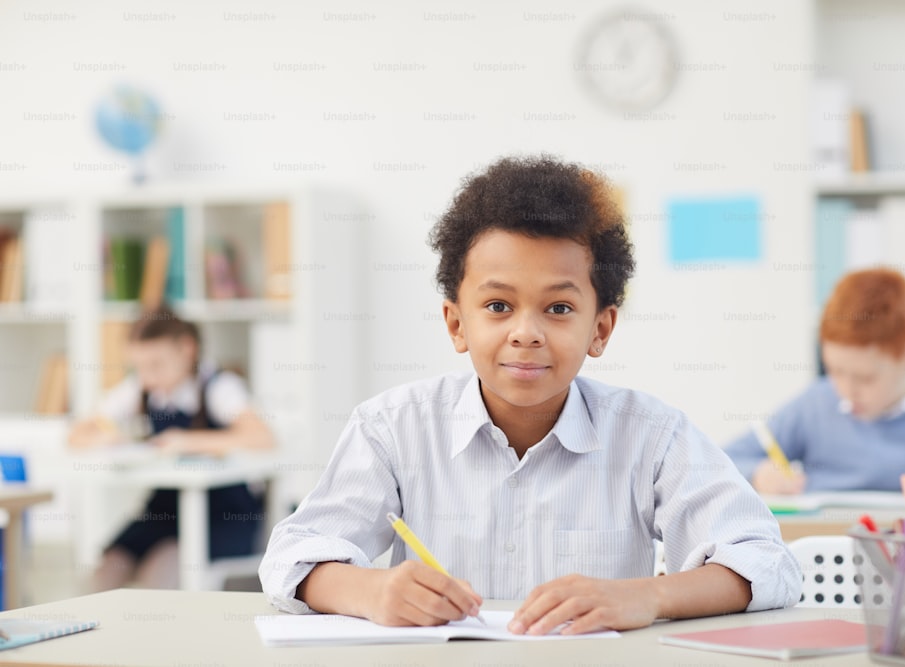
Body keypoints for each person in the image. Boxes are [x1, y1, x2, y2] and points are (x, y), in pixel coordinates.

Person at [259, 155, 800, 635]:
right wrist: (371, 592)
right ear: (456, 324)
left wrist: (648, 595)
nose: (526, 332)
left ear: (601, 329)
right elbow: (292, 557)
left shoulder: (652, 436)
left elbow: (767, 562)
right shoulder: (392, 428)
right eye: (498, 306)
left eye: (559, 308)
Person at [725, 268, 905, 498]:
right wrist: (758, 472)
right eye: (833, 370)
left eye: (865, 378)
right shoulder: (815, 405)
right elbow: (722, 461)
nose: (845, 390)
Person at [69, 306, 275, 590]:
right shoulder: (140, 390)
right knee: (110, 565)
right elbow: (78, 434)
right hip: (164, 512)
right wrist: (104, 438)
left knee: (165, 564)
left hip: (223, 515)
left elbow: (262, 438)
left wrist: (189, 442)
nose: (147, 377)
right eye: (139, 367)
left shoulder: (218, 387)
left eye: (156, 365)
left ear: (187, 350)